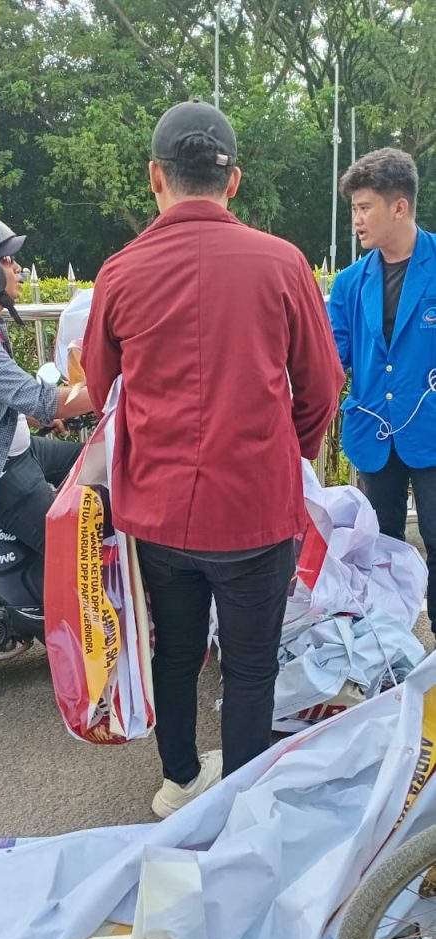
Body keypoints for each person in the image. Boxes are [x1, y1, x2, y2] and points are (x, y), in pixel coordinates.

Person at [82, 100, 344, 817]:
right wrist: (286, 453)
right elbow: (322, 386)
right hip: (255, 509)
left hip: (159, 513)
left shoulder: (119, 271)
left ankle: (179, 780)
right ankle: (241, 809)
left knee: (175, 651)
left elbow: (103, 389)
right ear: (233, 181)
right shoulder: (283, 262)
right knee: (251, 666)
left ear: (154, 176)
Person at [329, 148, 436, 642]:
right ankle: (388, 642)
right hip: (374, 431)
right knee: (382, 542)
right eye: (353, 208)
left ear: (399, 207)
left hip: (430, 430)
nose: (356, 219)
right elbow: (332, 358)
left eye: (364, 207)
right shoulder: (350, 283)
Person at [0, 213, 94, 558]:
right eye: (7, 259)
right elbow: (41, 399)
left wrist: (31, 418)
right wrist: (118, 387)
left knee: (98, 465)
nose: (18, 268)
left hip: (18, 449)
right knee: (76, 553)